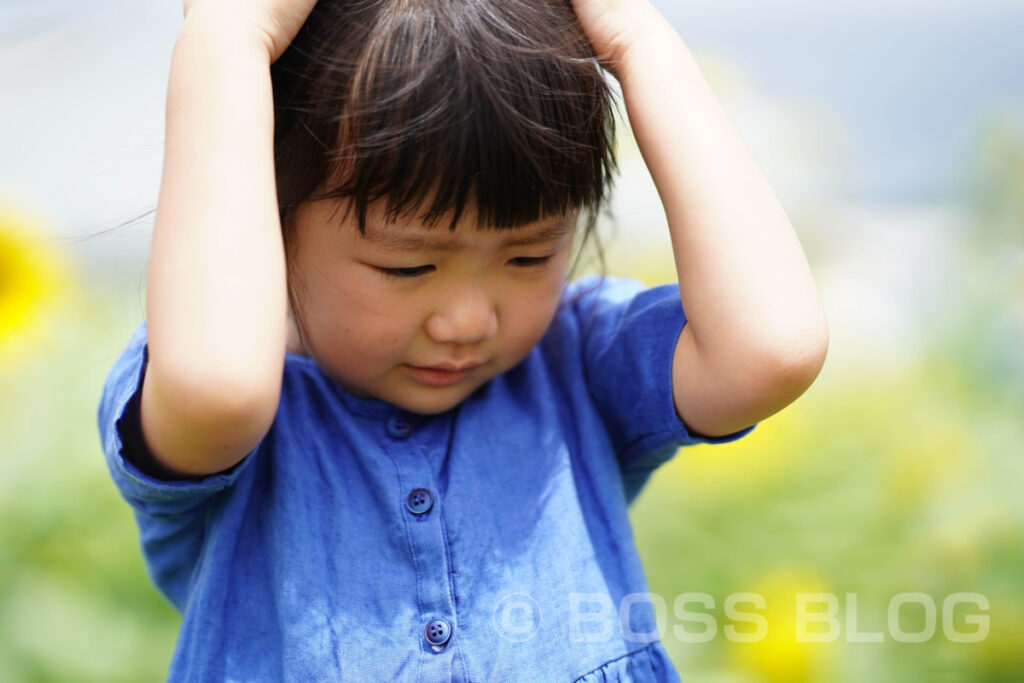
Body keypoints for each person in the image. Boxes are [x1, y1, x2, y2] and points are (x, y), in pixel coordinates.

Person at [97, 0, 829, 679]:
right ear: (271, 221)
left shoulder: (575, 363)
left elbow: (770, 349)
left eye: (528, 256)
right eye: (409, 265)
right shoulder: (231, 408)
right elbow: (218, 386)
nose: (468, 320)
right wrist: (226, 39)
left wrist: (639, 41)